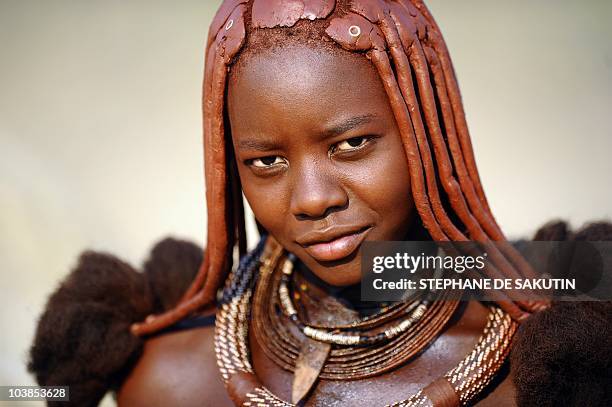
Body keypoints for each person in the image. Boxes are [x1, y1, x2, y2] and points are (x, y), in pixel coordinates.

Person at [29, 1, 611, 406]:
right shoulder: (168, 381)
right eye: (266, 162)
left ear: (426, 135)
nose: (311, 199)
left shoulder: (544, 372)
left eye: (351, 144)